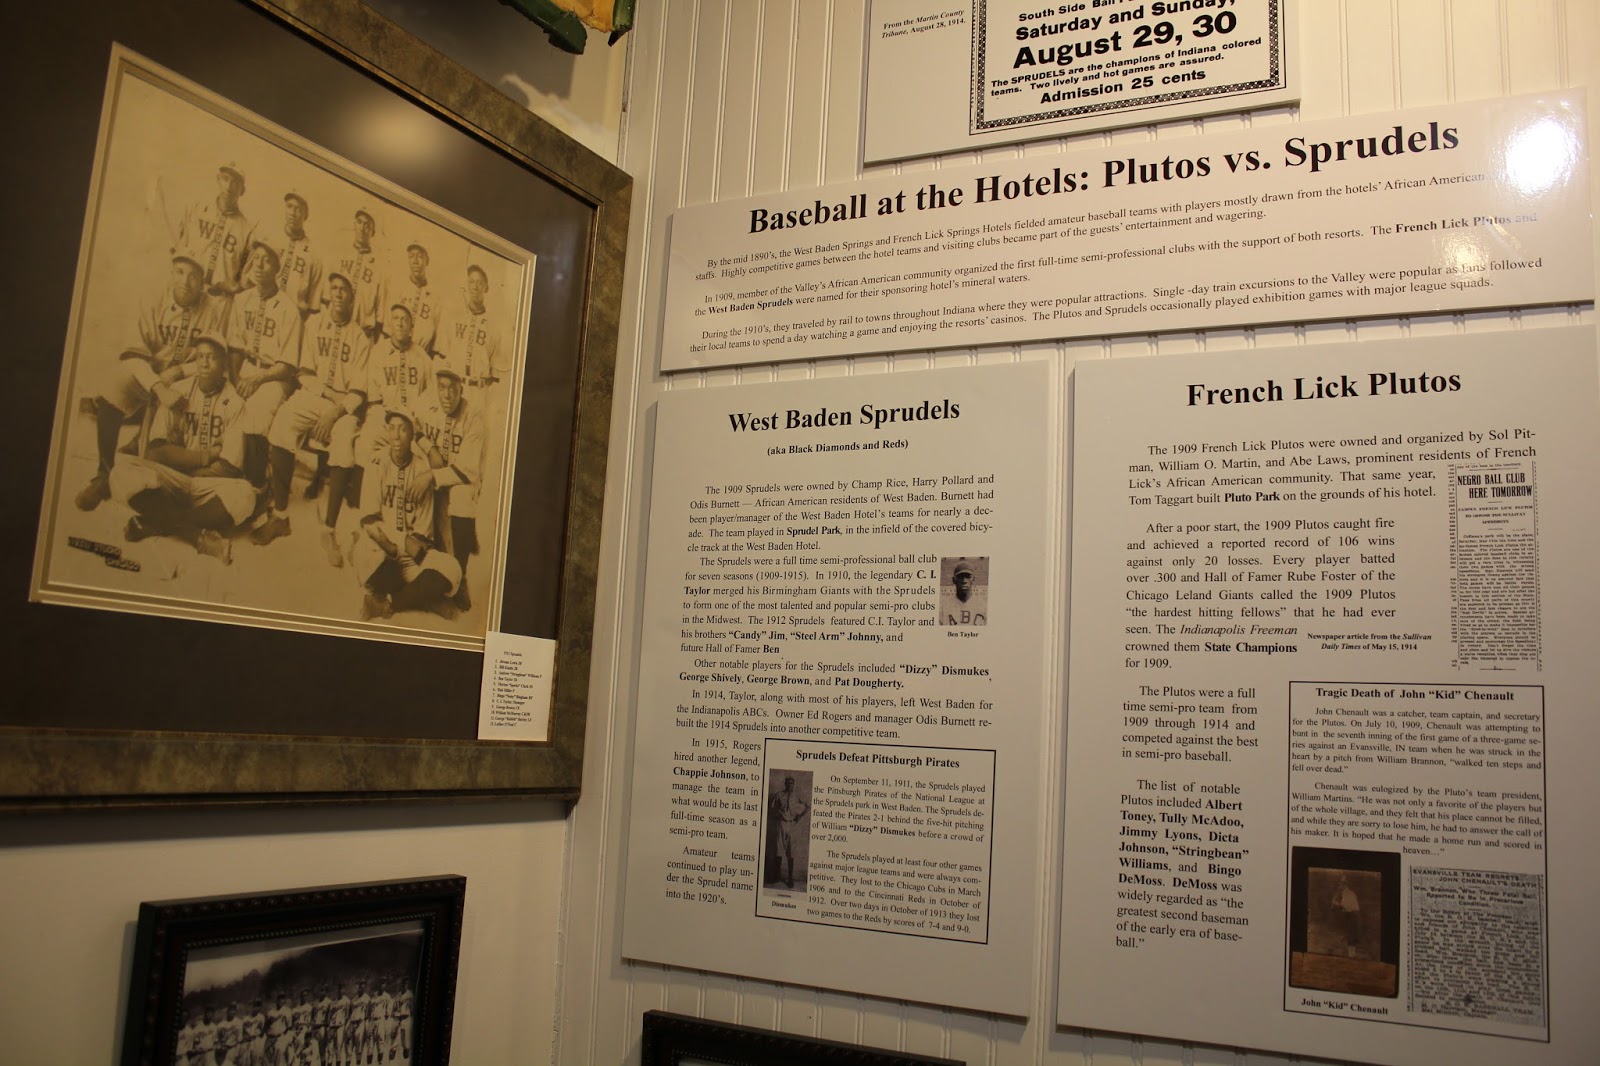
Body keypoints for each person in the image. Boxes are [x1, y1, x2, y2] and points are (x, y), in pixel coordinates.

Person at [75, 253, 230, 511]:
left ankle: (171, 483)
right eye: (180, 272)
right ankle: (103, 474)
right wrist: (158, 387)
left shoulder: (213, 309)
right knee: (115, 385)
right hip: (147, 372)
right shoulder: (152, 299)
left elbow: (215, 357)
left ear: (203, 280)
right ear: (171, 273)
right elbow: (133, 356)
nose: (185, 281)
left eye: (193, 275)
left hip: (187, 377)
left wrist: (180, 371)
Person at [105, 334, 256, 563]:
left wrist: (182, 460)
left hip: (206, 485)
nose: (204, 363)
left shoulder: (235, 403)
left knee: (245, 496)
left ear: (224, 363)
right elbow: (156, 452)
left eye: (212, 358)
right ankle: (195, 535)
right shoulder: (178, 390)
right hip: (174, 479)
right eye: (201, 356)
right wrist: (207, 456)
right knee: (120, 472)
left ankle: (155, 522)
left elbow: (228, 467)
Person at [260, 270, 371, 561]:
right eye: (333, 288)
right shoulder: (314, 323)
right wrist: (328, 399)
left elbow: (359, 392)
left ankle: (328, 529)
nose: (337, 293)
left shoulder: (360, 338)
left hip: (344, 405)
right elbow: (304, 373)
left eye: (343, 289)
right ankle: (281, 515)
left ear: (351, 298)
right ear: (328, 294)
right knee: (282, 422)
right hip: (314, 394)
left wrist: (336, 410)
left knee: (345, 438)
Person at [351, 410, 461, 621]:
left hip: (411, 555)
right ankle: (422, 597)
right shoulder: (376, 462)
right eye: (392, 428)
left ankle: (388, 603)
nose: (396, 435)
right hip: (381, 546)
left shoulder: (422, 469)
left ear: (412, 434)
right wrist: (400, 541)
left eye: (403, 429)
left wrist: (412, 549)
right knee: (367, 556)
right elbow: (369, 520)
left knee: (452, 570)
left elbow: (422, 534)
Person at [224, 239, 304, 495]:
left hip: (273, 376)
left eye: (266, 260)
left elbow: (288, 366)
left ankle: (256, 485)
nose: (258, 264)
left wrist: (256, 380)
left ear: (277, 268)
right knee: (227, 403)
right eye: (255, 258)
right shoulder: (242, 299)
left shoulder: (288, 309)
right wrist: (236, 381)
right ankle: (229, 472)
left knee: (257, 412)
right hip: (246, 368)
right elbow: (235, 348)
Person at [413, 367, 484, 610]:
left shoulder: (473, 417)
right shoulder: (426, 401)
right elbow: (415, 428)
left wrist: (433, 476)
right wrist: (430, 449)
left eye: (453, 388)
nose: (447, 394)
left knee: (462, 497)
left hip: (458, 477)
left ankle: (461, 576)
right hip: (434, 469)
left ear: (461, 389)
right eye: (442, 387)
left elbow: (466, 471)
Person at [170, 161, 255, 301]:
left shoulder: (247, 231)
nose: (228, 187)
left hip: (219, 301)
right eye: (225, 179)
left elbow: (245, 282)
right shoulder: (196, 210)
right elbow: (178, 251)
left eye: (235, 183)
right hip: (187, 291)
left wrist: (230, 286)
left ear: (242, 190)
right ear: (218, 179)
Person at [333, 206, 386, 339]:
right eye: (359, 222)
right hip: (335, 327)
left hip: (362, 333)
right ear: (354, 225)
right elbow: (326, 298)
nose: (362, 227)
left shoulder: (379, 266)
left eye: (367, 225)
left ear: (373, 232)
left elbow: (380, 311)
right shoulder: (340, 253)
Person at [275, 190, 325, 318]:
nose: (292, 213)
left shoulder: (313, 254)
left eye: (298, 209)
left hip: (293, 319)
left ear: (306, 214)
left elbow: (313, 306)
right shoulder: (271, 238)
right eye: (289, 206)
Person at [389, 239, 440, 353]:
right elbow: (387, 330)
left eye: (420, 256)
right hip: (395, 352)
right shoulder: (398, 288)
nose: (415, 261)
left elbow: (436, 339)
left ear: (427, 261)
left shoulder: (435, 297)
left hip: (420, 355)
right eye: (411, 256)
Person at [769, 775, 809, 889]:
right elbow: (771, 807)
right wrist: (777, 814)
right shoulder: (779, 795)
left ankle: (790, 879)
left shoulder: (796, 796)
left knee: (791, 851)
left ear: (794, 784)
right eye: (788, 783)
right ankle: (777, 876)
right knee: (779, 849)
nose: (790, 785)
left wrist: (799, 816)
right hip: (781, 823)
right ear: (785, 784)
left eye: (792, 783)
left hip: (792, 824)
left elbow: (808, 806)